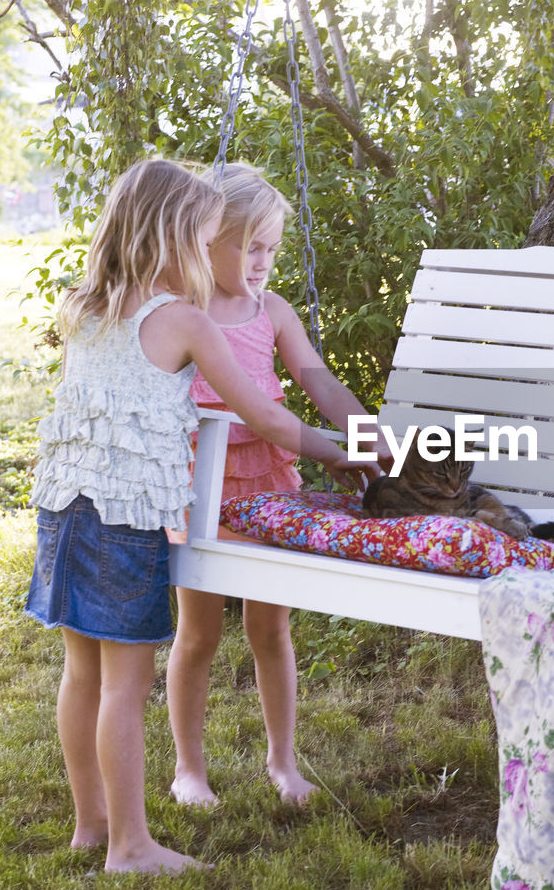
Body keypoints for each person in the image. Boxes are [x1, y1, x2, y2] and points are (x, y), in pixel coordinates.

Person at [24, 159, 378, 874]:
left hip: (64, 508)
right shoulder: (183, 320)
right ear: (181, 239)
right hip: (128, 518)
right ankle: (131, 846)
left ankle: (91, 826)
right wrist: (345, 454)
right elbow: (269, 419)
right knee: (127, 682)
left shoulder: (81, 306)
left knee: (82, 673)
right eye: (213, 238)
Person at [167, 162, 391, 807]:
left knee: (270, 628)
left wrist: (363, 433)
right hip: (200, 482)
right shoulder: (184, 312)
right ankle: (190, 768)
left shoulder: (273, 310)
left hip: (271, 480)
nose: (263, 261)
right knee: (200, 631)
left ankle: (283, 763)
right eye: (250, 246)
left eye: (272, 247)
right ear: (209, 239)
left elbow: (318, 382)